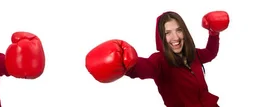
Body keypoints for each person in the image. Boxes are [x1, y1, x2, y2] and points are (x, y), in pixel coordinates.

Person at [85, 11, 230, 107]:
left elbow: (210, 53)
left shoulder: (192, 54)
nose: (175, 38)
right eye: (168, 33)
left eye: (179, 30)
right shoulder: (160, 61)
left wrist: (214, 33)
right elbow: (144, 67)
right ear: (161, 37)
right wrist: (126, 63)